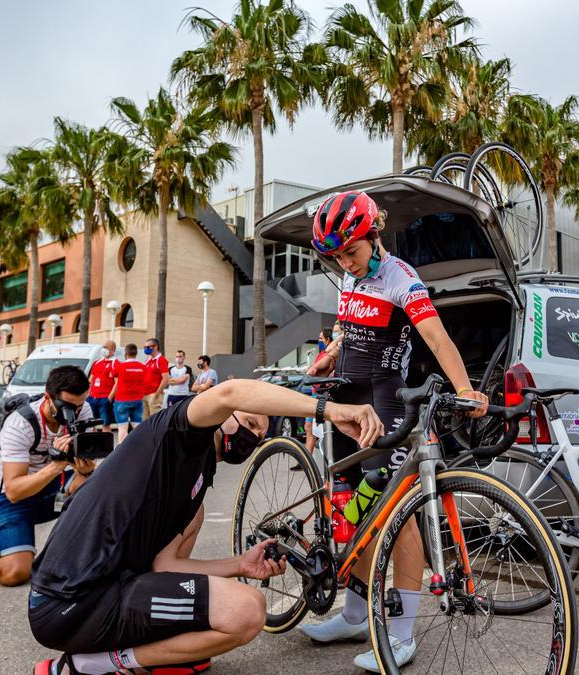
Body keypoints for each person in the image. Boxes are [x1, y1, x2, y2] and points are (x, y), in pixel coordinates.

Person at [28, 377, 384, 675]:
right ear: (223, 415)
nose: (255, 436)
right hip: (68, 603)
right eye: (249, 422)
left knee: (212, 620)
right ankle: (94, 664)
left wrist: (240, 564)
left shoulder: (201, 474)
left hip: (110, 590)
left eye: (261, 433)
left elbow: (166, 567)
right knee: (247, 611)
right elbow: (231, 392)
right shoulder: (174, 431)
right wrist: (330, 410)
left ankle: (135, 652)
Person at [301, 190, 487, 671]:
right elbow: (346, 327)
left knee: (394, 513)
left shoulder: (402, 278)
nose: (346, 262)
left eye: (351, 251)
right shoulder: (349, 273)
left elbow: (437, 336)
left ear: (373, 236)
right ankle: (356, 613)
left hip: (384, 398)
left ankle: (401, 633)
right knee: (351, 510)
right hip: (343, 396)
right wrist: (329, 354)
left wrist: (466, 389)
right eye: (336, 256)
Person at [0, 365, 97, 586]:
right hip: (7, 496)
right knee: (15, 574)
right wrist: (56, 465)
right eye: (67, 407)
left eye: (80, 405)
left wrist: (87, 468)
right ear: (48, 398)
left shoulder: (83, 411)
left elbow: (85, 473)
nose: (74, 413)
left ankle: (82, 552)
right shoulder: (20, 423)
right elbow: (14, 490)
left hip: (50, 487)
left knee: (95, 484)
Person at [110, 343, 150, 445]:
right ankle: (141, 447)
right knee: (137, 426)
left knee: (122, 429)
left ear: (126, 353)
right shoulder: (143, 367)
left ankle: (122, 451)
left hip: (122, 400)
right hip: (137, 400)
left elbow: (111, 374)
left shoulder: (121, 366)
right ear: (136, 353)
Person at [87, 341, 118, 433]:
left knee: (105, 423)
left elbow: (117, 382)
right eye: (103, 347)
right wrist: (88, 394)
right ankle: (94, 443)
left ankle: (106, 445)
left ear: (112, 350)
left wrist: (110, 397)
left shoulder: (115, 363)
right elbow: (90, 379)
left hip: (105, 398)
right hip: (92, 397)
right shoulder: (97, 362)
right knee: (90, 423)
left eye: (106, 347)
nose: (103, 349)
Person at [142, 338, 170, 419]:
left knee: (155, 420)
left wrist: (157, 394)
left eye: (148, 347)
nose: (146, 349)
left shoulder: (161, 360)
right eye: (145, 347)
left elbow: (166, 378)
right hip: (144, 394)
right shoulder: (148, 360)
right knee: (145, 421)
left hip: (153, 395)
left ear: (155, 347)